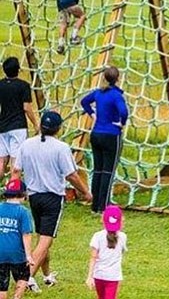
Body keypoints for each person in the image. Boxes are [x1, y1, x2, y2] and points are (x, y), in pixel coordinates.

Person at [11, 110, 92, 293]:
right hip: (52, 198)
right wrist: (86, 192)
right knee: (46, 240)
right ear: (58, 128)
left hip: (34, 197)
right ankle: (27, 277)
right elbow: (71, 175)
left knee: (42, 237)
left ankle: (47, 275)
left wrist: (13, 193)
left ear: (41, 127)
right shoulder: (61, 147)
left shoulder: (27, 144)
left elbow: (16, 171)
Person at [81, 66, 128, 214]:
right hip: (111, 135)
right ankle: (104, 206)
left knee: (98, 170)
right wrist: (122, 123)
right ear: (118, 78)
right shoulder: (116, 95)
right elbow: (124, 111)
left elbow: (84, 101)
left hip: (96, 134)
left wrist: (92, 114)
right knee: (108, 171)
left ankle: (95, 205)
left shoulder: (98, 93)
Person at [0, 57, 39, 181]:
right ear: (18, 70)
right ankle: (13, 192)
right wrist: (35, 123)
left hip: (2, 126)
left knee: (1, 162)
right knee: (15, 164)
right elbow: (26, 107)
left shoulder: (0, 85)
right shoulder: (23, 86)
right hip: (18, 127)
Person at [0, 179, 34, 299]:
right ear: (23, 195)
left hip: (0, 253)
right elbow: (26, 234)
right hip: (17, 254)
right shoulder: (23, 212)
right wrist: (28, 255)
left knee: (2, 285)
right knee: (23, 276)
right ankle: (17, 297)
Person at [86, 205, 127, 299]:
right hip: (113, 276)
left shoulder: (97, 236)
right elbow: (121, 252)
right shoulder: (123, 237)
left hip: (98, 275)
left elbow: (93, 257)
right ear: (121, 221)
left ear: (103, 220)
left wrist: (90, 276)